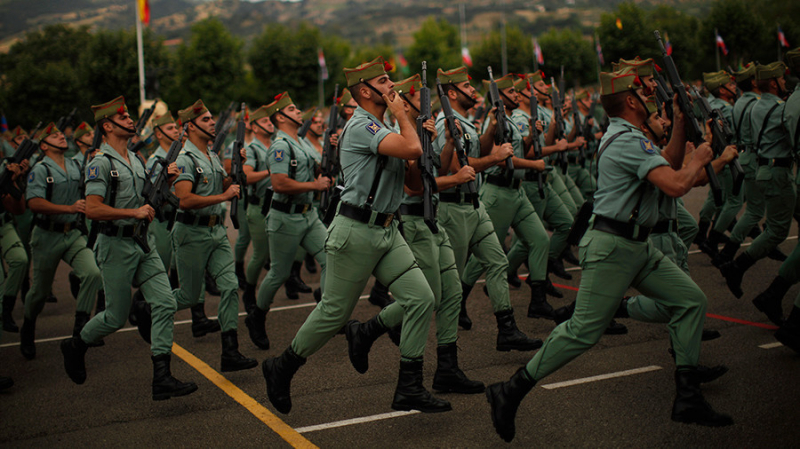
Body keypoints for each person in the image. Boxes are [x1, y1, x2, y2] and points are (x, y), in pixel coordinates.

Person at [486, 68, 732, 443]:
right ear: (630, 101)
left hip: (635, 245)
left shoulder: (630, 136)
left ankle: (688, 397)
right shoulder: (626, 140)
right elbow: (676, 183)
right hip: (613, 247)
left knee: (690, 301)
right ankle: (510, 389)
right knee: (583, 332)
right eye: (643, 95)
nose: (650, 100)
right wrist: (700, 156)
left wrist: (681, 123)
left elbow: (667, 160)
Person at [262, 57, 450, 415]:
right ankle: (282, 366)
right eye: (383, 81)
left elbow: (413, 185)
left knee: (422, 298)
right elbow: (410, 147)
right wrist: (406, 121)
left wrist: (419, 147)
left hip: (387, 229)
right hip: (356, 230)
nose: (392, 86)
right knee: (334, 312)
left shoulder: (386, 127)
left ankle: (409, 385)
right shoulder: (363, 126)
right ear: (365, 91)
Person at [345, 73, 486, 395]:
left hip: (433, 219)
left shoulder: (420, 131)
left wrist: (446, 142)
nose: (427, 106)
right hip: (413, 220)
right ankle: (369, 330)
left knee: (451, 293)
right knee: (428, 296)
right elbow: (414, 188)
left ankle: (447, 368)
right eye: (415, 100)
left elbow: (437, 170)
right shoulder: (396, 134)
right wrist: (455, 179)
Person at [61, 96, 197, 400]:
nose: (130, 120)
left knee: (165, 302)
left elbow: (147, 201)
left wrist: (167, 182)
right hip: (115, 245)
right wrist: (132, 213)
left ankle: (162, 376)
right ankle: (76, 344)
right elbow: (93, 209)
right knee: (114, 317)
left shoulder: (136, 159)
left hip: (143, 243)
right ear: (108, 126)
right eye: (122, 117)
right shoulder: (100, 163)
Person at [432, 66, 541, 351]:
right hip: (453, 208)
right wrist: (496, 158)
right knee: (451, 285)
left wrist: (492, 127)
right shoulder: (446, 122)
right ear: (452, 93)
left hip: (474, 205)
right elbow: (456, 166)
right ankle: (443, 352)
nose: (473, 91)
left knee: (497, 262)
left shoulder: (465, 121)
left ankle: (507, 329)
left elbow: (476, 150)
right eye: (467, 87)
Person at [167, 99, 258, 372]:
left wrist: (235, 169)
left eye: (210, 118)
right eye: (205, 120)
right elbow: (184, 200)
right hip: (191, 233)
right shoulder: (184, 159)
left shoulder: (211, 155)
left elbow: (222, 185)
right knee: (188, 296)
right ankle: (150, 308)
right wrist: (224, 196)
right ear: (191, 127)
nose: (212, 123)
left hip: (216, 231)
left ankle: (230, 351)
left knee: (230, 286)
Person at [245, 92, 329, 350]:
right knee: (279, 273)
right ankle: (257, 315)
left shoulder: (301, 141)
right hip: (285, 217)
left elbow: (315, 167)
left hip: (308, 214)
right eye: (292, 109)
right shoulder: (280, 146)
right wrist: (314, 185)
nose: (298, 111)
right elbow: (279, 183)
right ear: (280, 117)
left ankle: (328, 309)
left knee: (331, 257)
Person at [19, 123, 103, 360]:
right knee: (39, 292)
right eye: (54, 136)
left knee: (93, 273)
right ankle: (28, 326)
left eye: (61, 134)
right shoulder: (40, 169)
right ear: (44, 146)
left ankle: (80, 332)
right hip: (47, 235)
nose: (61, 137)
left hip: (72, 233)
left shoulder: (76, 165)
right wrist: (69, 208)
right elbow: (34, 203)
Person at [720, 62, 793, 298]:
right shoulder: (778, 107)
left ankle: (728, 256)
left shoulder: (753, 104)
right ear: (773, 83)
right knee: (770, 225)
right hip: (773, 168)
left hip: (760, 164)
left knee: (756, 212)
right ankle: (735, 264)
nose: (784, 81)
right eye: (781, 79)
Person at [147, 111, 220, 338]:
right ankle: (145, 306)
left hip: (181, 219)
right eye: (169, 128)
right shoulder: (156, 160)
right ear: (159, 134)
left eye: (176, 127)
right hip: (163, 221)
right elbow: (152, 194)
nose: (176, 131)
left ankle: (198, 317)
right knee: (160, 270)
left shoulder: (187, 155)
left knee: (191, 270)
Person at [240, 106, 273, 314]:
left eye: (270, 120)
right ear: (255, 127)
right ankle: (249, 290)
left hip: (276, 205)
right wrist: (271, 171)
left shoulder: (278, 144)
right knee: (260, 255)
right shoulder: (252, 149)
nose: (269, 123)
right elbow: (246, 177)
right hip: (259, 206)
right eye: (264, 121)